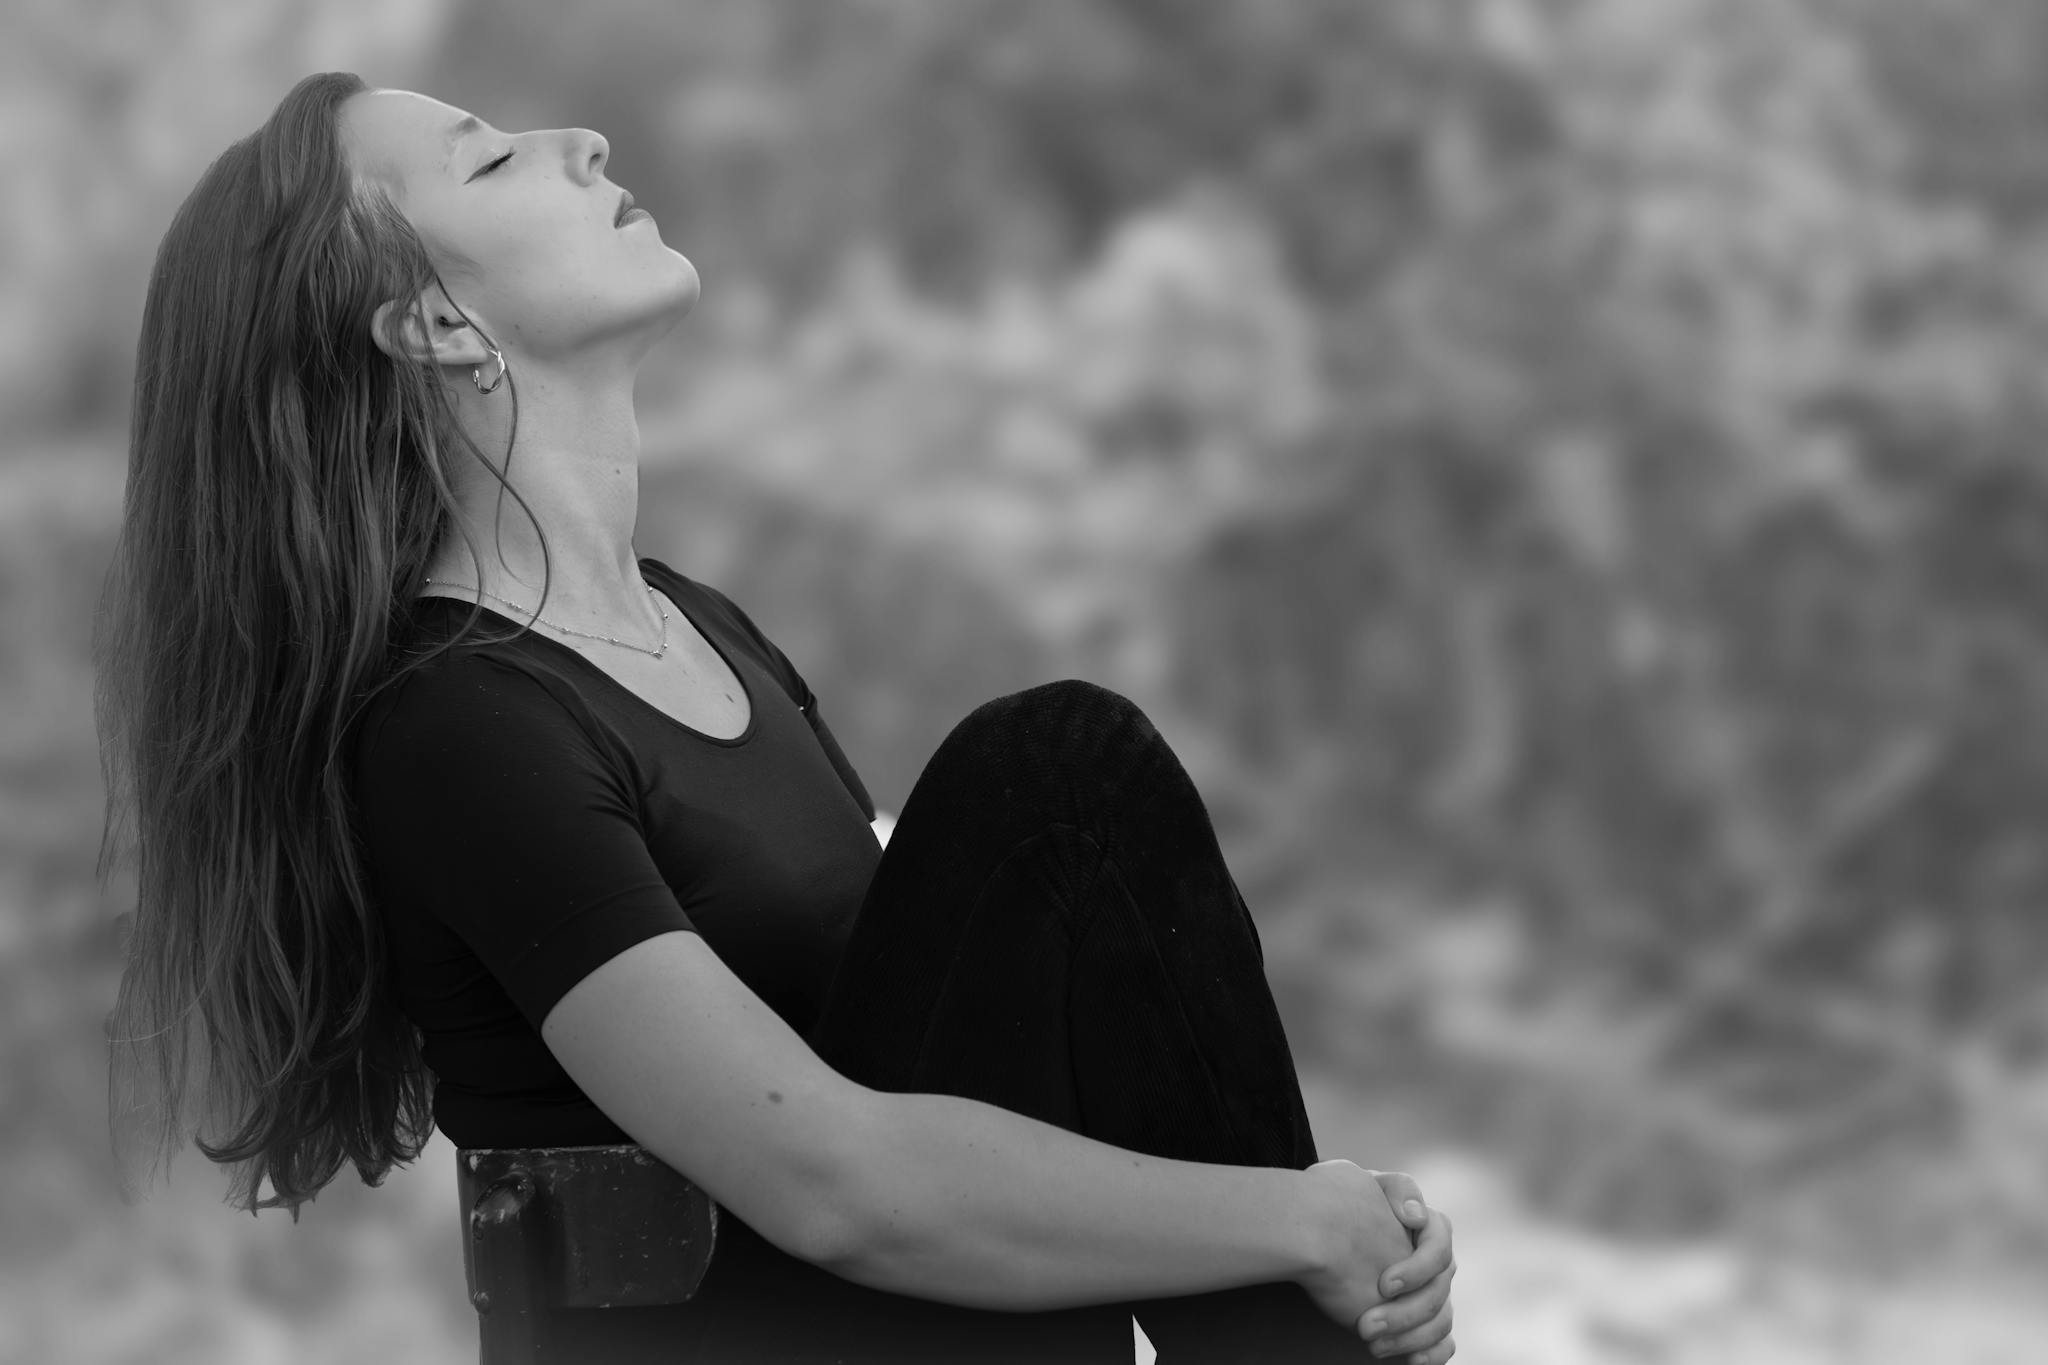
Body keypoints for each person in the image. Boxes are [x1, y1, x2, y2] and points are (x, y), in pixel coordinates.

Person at [96, 71, 1457, 1363]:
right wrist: (1295, 1224)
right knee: (1061, 776)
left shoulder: (703, 630)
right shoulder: (460, 724)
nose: (587, 144)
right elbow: (833, 1183)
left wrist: (1329, 1223)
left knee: (1053, 813)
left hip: (895, 1320)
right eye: (498, 158)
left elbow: (999, 1036)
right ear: (436, 324)